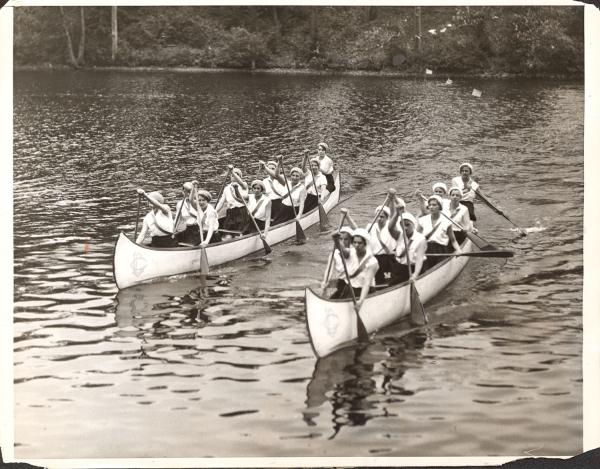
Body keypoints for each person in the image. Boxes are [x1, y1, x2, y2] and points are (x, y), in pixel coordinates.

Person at [338, 228, 379, 310]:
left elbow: (367, 283)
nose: (356, 245)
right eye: (354, 242)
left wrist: (360, 301)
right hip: (350, 289)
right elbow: (343, 250)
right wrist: (336, 239)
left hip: (364, 292)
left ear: (365, 244)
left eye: (359, 243)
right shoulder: (350, 252)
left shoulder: (372, 261)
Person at [388, 200, 428, 285]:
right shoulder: (399, 235)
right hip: (400, 268)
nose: (405, 228)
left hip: (414, 268)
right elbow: (390, 228)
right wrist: (397, 214)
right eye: (402, 225)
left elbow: (419, 259)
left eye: (408, 225)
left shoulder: (421, 239)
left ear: (413, 225)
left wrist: (415, 275)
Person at [418, 194, 461, 270]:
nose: (431, 207)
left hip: (441, 250)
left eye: (434, 205)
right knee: (424, 269)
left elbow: (453, 240)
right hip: (426, 249)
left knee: (437, 267)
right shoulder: (422, 220)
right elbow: (415, 237)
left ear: (439, 207)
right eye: (430, 205)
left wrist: (458, 250)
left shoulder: (446, 222)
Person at [366, 205, 397, 286]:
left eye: (382, 217)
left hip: (388, 259)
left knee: (389, 280)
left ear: (387, 218)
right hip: (375, 259)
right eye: (377, 216)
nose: (379, 219)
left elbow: (394, 214)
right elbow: (362, 238)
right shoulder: (371, 226)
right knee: (377, 281)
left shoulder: (390, 227)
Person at [215, 166, 250, 236]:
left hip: (241, 212)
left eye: (237, 175)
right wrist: (214, 212)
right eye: (232, 175)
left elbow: (241, 182)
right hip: (230, 213)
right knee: (228, 230)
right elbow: (221, 202)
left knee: (240, 231)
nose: (234, 177)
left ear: (240, 177)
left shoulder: (243, 185)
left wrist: (232, 171)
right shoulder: (226, 188)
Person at [326, 226, 357, 299]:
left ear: (350, 240)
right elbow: (329, 270)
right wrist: (325, 281)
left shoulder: (355, 251)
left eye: (346, 239)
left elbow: (345, 253)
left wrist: (336, 241)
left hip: (354, 283)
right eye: (340, 239)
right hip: (342, 283)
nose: (343, 242)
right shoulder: (334, 253)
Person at [260, 157, 286, 222]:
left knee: (278, 221)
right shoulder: (265, 181)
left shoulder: (281, 178)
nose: (271, 170)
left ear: (276, 169)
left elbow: (276, 175)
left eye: (273, 168)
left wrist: (279, 162)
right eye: (269, 169)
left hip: (280, 203)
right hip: (269, 204)